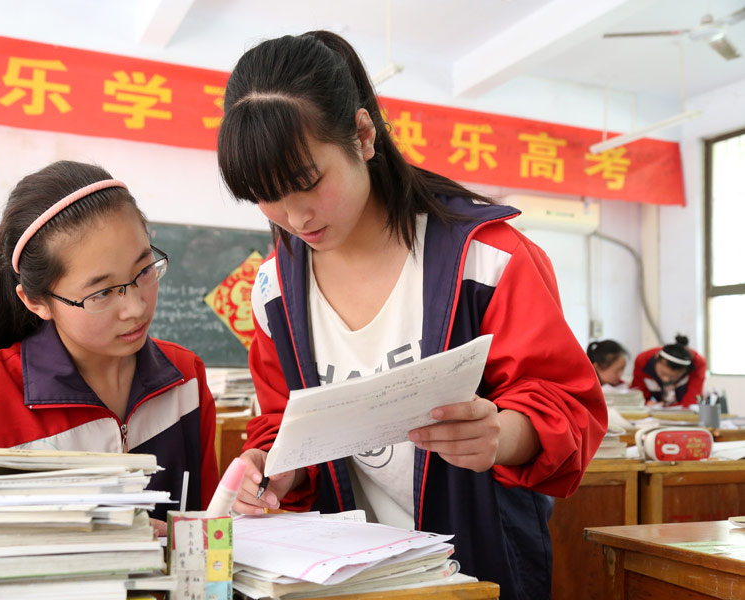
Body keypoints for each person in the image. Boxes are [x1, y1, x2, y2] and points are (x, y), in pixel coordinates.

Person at [216, 31, 606, 600]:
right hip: (341, 578)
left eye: (308, 183)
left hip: (474, 569)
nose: (295, 218)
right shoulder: (274, 288)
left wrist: (501, 435)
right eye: (266, 195)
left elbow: (569, 407)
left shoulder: (486, 259)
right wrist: (273, 467)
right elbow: (282, 421)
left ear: (363, 136)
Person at [0, 160, 220, 525]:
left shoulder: (185, 377)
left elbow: (209, 524)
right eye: (101, 293)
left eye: (143, 271)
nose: (136, 307)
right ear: (36, 301)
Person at [630, 334, 706, 407]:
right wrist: (647, 404)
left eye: (673, 377)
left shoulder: (698, 363)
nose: (666, 380)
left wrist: (663, 407)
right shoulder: (643, 360)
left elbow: (691, 401)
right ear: (656, 357)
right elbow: (636, 397)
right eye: (663, 373)